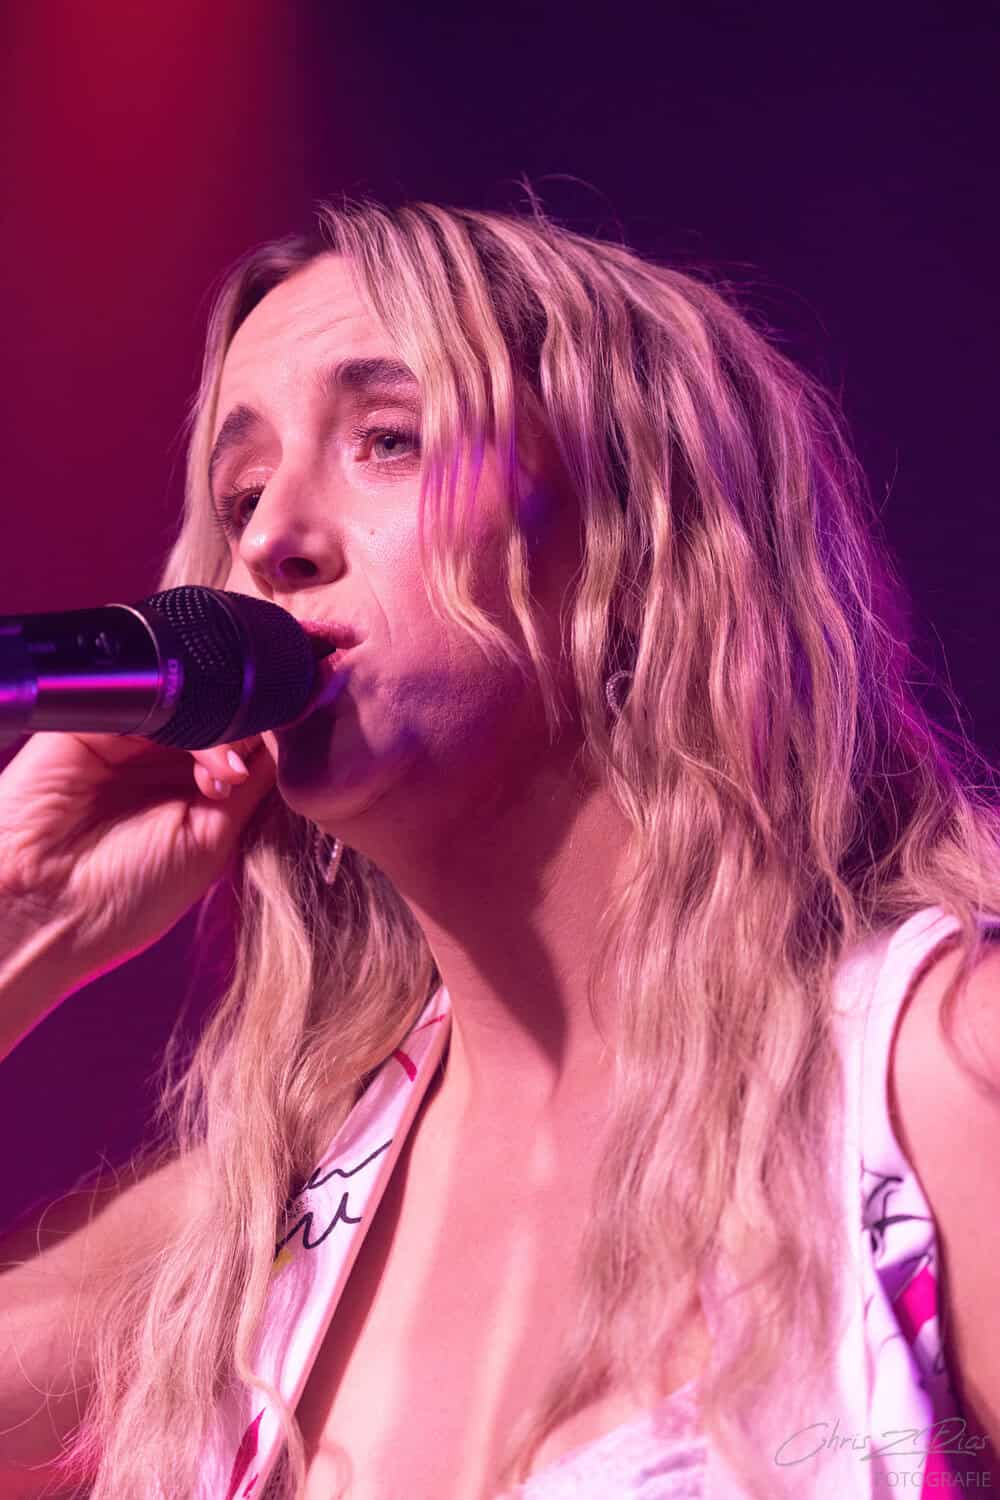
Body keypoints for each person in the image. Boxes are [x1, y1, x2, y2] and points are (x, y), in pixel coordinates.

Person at [0, 198, 998, 1500]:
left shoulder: (933, 1071)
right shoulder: (269, 1213)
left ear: (646, 538)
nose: (269, 538)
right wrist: (20, 920)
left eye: (388, 439)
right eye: (240, 494)